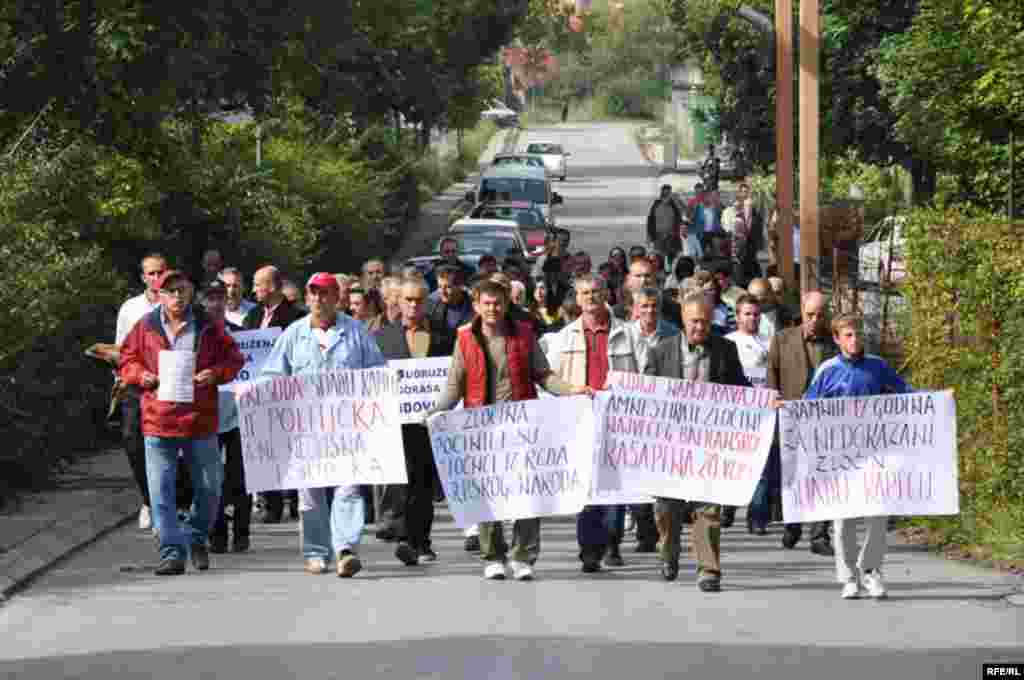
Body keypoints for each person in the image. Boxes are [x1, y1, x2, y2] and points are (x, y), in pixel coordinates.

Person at [431, 281, 592, 581]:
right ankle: (493, 556)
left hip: (521, 427)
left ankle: (522, 556)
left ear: (506, 305)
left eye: (498, 303)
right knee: (486, 492)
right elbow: (454, 385)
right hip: (480, 429)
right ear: (476, 305)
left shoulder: (524, 334)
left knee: (527, 491)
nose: (492, 308)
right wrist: (433, 412)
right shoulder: (465, 338)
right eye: (486, 303)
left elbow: (544, 375)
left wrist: (572, 391)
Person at [261, 273, 387, 577]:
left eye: (325, 293)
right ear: (307, 297)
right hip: (306, 429)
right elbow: (272, 374)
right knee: (310, 494)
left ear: (337, 297)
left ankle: (346, 549)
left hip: (348, 428)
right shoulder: (294, 334)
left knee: (349, 489)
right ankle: (316, 552)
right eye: (313, 293)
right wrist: (260, 395)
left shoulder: (355, 332)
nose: (318, 299)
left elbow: (377, 372)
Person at [119, 270, 244, 575]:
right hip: (158, 419)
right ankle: (171, 553)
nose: (177, 296)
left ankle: (196, 536)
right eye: (170, 291)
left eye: (182, 290)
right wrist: (140, 376)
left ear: (190, 293)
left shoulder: (208, 325)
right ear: (159, 295)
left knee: (210, 487)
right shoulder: (145, 326)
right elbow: (126, 360)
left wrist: (214, 374)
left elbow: (234, 359)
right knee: (161, 492)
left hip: (199, 419)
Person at [644, 294, 749, 592]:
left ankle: (708, 570)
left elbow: (741, 388)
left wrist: (764, 401)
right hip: (670, 445)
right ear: (682, 319)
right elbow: (644, 393)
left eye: (705, 321)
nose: (700, 327)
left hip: (710, 444)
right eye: (694, 321)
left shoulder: (725, 350)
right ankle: (668, 550)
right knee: (667, 508)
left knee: (708, 507)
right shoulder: (660, 351)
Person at [802, 313, 911, 600]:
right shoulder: (827, 370)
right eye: (848, 335)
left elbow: (907, 394)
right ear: (837, 339)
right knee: (843, 521)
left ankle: (871, 570)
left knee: (878, 516)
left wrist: (937, 399)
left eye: (858, 334)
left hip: (874, 454)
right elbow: (807, 407)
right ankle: (849, 576)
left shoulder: (878, 366)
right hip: (840, 458)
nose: (854, 340)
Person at [548, 275, 639, 572]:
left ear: (606, 294)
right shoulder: (564, 337)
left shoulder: (628, 333)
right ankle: (589, 549)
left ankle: (612, 542)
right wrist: (571, 391)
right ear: (577, 298)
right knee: (586, 488)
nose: (590, 297)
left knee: (614, 485)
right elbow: (549, 379)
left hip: (618, 419)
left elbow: (645, 373)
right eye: (585, 292)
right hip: (581, 420)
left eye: (596, 291)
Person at [373, 277, 455, 566]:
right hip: (396, 421)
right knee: (403, 478)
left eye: (419, 300)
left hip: (430, 420)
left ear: (427, 303)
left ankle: (421, 541)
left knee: (423, 481)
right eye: (408, 299)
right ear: (398, 301)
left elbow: (454, 373)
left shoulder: (445, 336)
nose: (413, 305)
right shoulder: (382, 337)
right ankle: (406, 538)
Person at [767, 291, 838, 556]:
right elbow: (772, 374)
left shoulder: (835, 342)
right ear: (802, 311)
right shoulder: (782, 339)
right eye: (810, 315)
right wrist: (773, 396)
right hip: (792, 420)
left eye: (820, 315)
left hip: (826, 420)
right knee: (794, 476)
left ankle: (819, 535)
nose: (815, 320)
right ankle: (793, 524)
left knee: (824, 477)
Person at [243, 266, 305, 523]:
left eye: (258, 284)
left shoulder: (296, 317)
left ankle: (297, 500)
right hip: (258, 391)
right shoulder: (252, 316)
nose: (254, 289)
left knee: (290, 447)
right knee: (265, 447)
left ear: (272, 286)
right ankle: (271, 504)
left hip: (286, 390)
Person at [115, 253, 168, 531]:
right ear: (143, 277)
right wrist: (121, 379)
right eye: (151, 273)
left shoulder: (176, 302)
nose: (156, 278)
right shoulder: (130, 308)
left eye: (160, 272)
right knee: (132, 440)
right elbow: (120, 350)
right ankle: (148, 500)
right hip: (136, 385)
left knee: (168, 446)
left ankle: (168, 501)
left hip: (168, 384)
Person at [200, 280, 251, 553]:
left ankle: (242, 533)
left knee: (241, 476)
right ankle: (216, 534)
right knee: (210, 479)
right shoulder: (195, 337)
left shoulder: (243, 335)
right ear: (202, 302)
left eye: (220, 297)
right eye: (210, 298)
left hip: (240, 416)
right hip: (207, 416)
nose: (216, 303)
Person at [725, 295, 772, 534]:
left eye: (755, 314)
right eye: (747, 314)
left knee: (761, 466)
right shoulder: (728, 342)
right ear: (737, 316)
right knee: (732, 464)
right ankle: (727, 506)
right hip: (734, 414)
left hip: (763, 413)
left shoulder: (770, 343)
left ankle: (757, 518)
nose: (752, 318)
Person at [426, 265, 474, 333]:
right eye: (439, 286)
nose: (442, 292)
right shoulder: (431, 303)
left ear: (460, 286)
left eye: (448, 287)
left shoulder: (474, 305)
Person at [647, 184, 684, 256]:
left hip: (671, 236)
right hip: (658, 236)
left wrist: (677, 200)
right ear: (662, 194)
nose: (667, 195)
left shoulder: (674, 205)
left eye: (668, 193)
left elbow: (680, 217)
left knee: (671, 256)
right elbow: (650, 220)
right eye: (665, 193)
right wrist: (649, 236)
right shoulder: (656, 204)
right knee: (659, 256)